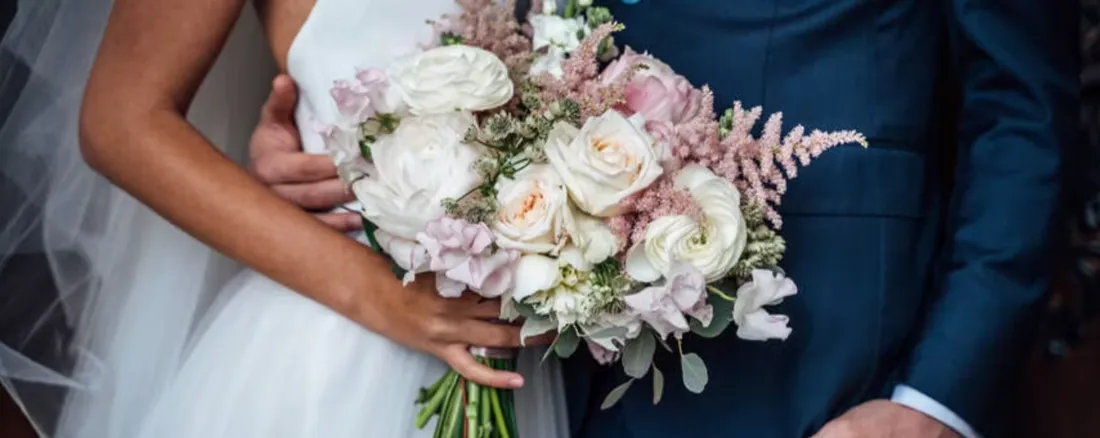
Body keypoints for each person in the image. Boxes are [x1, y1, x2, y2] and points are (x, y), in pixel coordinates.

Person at [249, 0, 1077, 437]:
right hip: (539, 362)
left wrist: (936, 401)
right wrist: (345, 137)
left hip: (823, 366)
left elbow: (1023, 115)